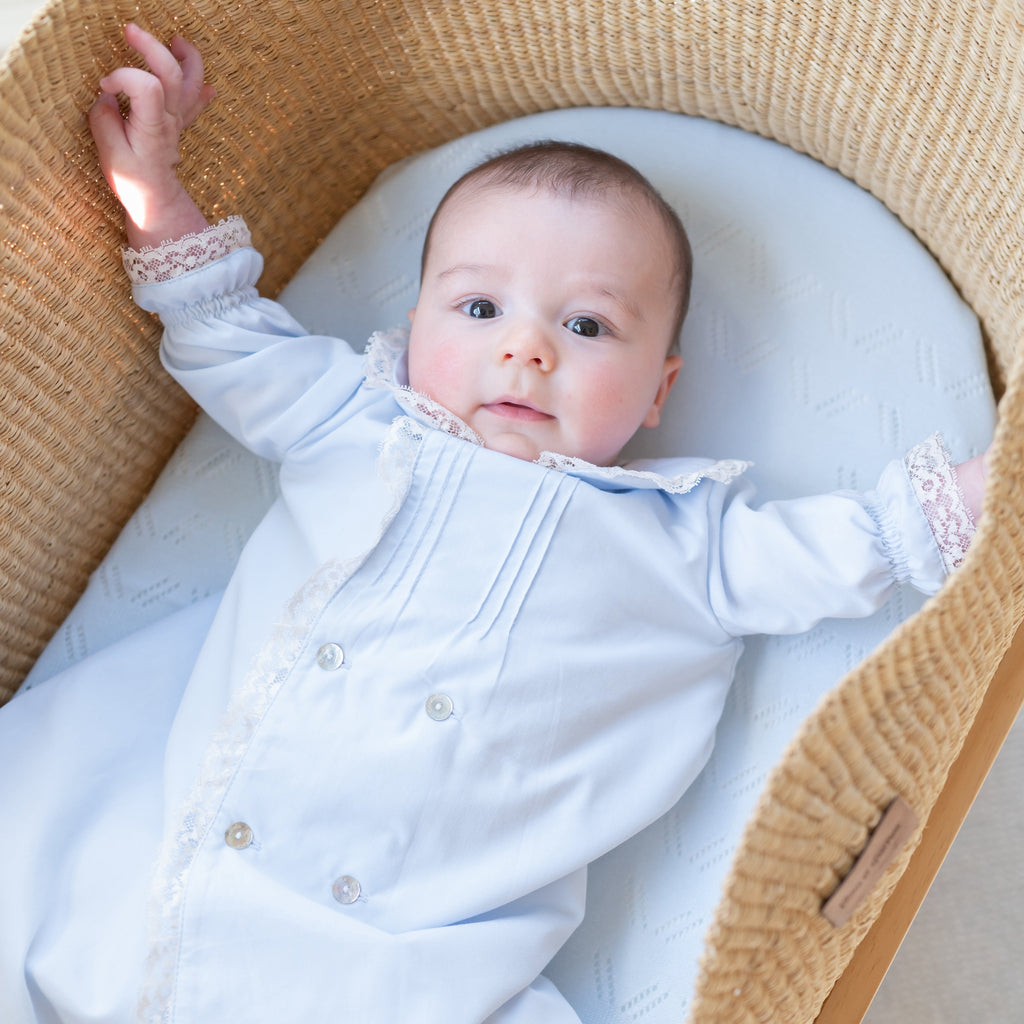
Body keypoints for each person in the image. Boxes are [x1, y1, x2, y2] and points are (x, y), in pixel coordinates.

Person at [0, 23, 987, 1024]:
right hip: (196, 856)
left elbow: (875, 538)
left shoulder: (691, 545)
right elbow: (220, 325)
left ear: (659, 390)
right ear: (414, 323)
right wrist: (155, 188)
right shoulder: (355, 420)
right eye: (478, 309)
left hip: (404, 956)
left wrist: (1000, 477)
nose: (525, 350)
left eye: (587, 325)